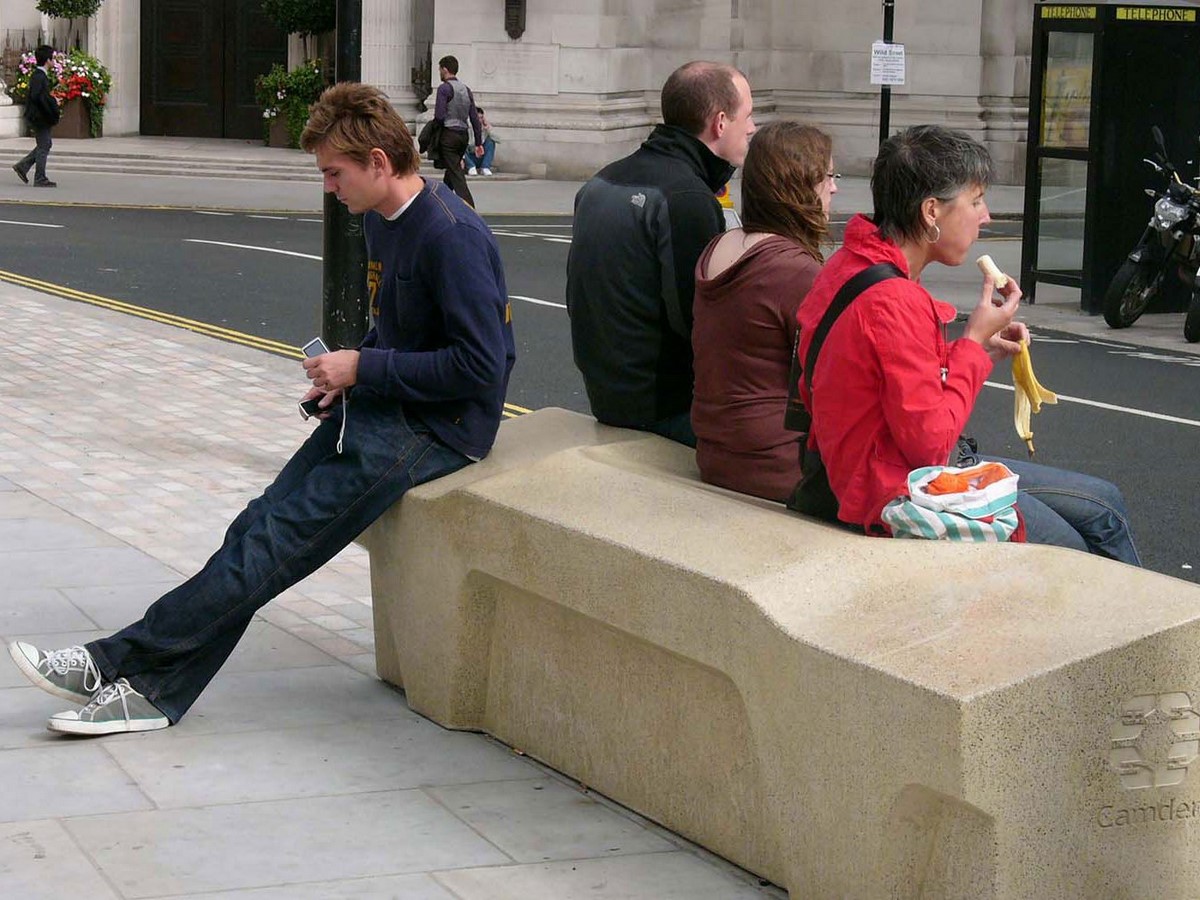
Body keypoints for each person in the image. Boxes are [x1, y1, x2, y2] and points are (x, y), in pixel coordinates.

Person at [7, 81, 517, 735]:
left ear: (379, 164)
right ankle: (153, 695)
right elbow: (398, 329)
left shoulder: (452, 237)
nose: (329, 188)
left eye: (335, 174)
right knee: (254, 531)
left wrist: (364, 367)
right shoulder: (380, 221)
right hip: (391, 407)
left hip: (439, 430)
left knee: (272, 545)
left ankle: (108, 665)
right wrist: (353, 376)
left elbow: (482, 367)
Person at [796, 124, 1140, 564]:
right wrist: (974, 343)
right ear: (931, 212)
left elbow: (879, 383)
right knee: (1075, 554)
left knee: (1104, 504)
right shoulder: (894, 300)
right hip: (890, 489)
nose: (986, 216)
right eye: (975, 201)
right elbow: (932, 443)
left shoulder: (850, 262)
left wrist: (978, 349)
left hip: (869, 468)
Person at [566, 60, 756, 447]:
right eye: (747, 117)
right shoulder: (686, 198)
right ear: (720, 123)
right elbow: (700, 321)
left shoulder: (601, 181)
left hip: (608, 395)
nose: (751, 128)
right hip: (661, 409)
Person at [691, 120, 836, 501]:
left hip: (716, 452)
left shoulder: (719, 246)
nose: (835, 187)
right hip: (776, 468)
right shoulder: (795, 270)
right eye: (828, 176)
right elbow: (827, 386)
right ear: (801, 185)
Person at [432, 54, 484, 206]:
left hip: (449, 134)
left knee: (456, 174)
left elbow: (439, 116)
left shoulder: (444, 89)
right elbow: (474, 118)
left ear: (445, 69)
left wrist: (434, 134)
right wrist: (479, 142)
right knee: (452, 170)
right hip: (463, 135)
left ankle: (469, 208)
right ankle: (441, 202)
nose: (439, 73)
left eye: (440, 70)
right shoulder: (466, 90)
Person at [13, 44, 59, 188]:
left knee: (45, 144)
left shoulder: (40, 75)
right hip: (39, 117)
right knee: (44, 145)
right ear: (47, 60)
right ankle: (40, 177)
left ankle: (23, 166)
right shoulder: (39, 76)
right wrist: (53, 102)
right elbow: (37, 97)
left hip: (39, 116)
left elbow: (40, 96)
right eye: (53, 58)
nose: (54, 62)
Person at [465, 106, 497, 176]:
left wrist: (488, 129)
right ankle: (471, 167)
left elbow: (497, 140)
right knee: (461, 144)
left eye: (481, 118)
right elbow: (470, 145)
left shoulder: (484, 129)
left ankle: (485, 167)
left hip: (480, 157)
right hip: (469, 158)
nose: (480, 120)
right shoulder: (467, 128)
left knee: (491, 141)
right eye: (478, 118)